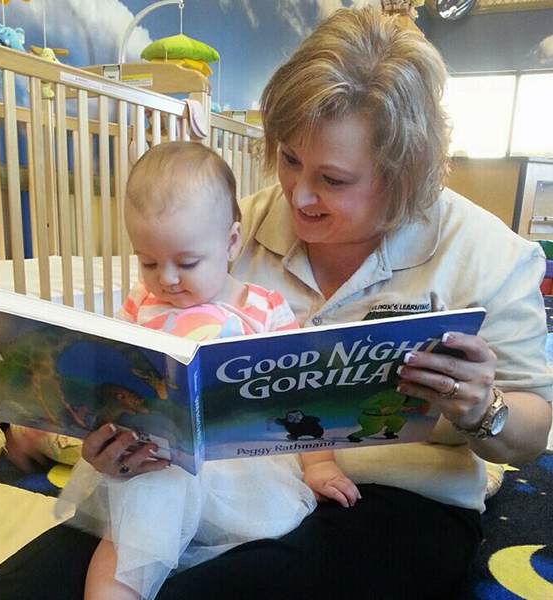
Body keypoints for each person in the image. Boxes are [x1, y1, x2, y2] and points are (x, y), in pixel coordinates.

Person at [0, 7, 551, 600]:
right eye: (290, 159)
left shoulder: (489, 256)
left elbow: (532, 427)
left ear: (404, 174)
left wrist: (485, 407)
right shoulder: (223, 228)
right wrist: (112, 435)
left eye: (335, 179)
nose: (300, 193)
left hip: (393, 495)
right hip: (193, 481)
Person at [57, 141, 360, 600]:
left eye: (187, 262)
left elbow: (300, 398)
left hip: (243, 474)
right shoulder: (141, 304)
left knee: (265, 564)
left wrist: (319, 465)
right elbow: (111, 372)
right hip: (157, 469)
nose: (168, 279)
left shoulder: (264, 308)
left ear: (231, 242)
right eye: (149, 262)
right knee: (123, 554)